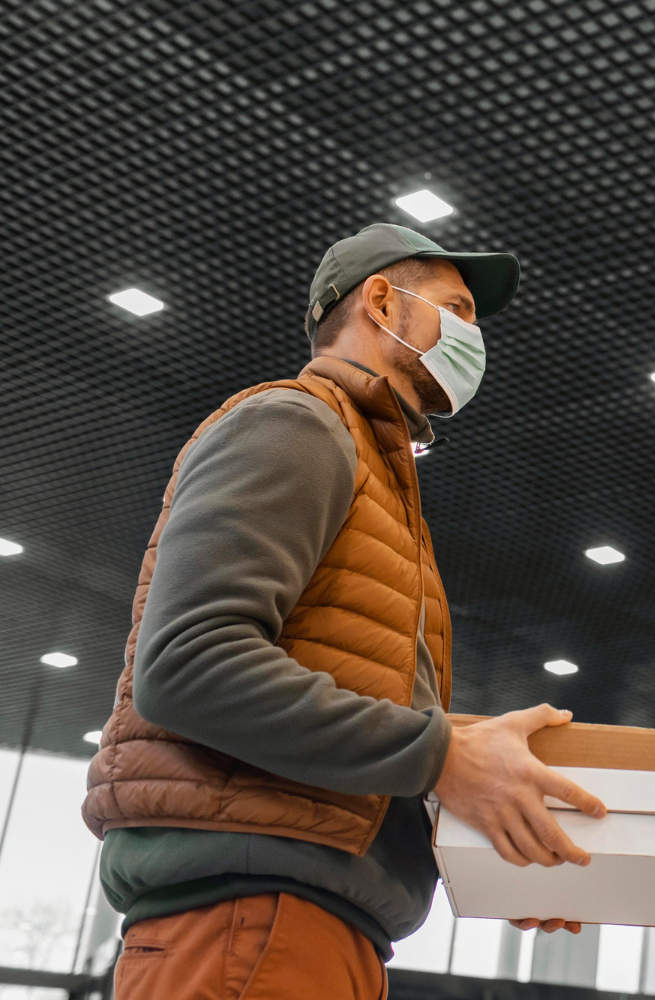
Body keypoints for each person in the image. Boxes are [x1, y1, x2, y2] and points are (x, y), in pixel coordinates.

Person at [82, 223, 604, 999]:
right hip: (252, 926)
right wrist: (444, 756)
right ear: (383, 301)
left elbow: (358, 736)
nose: (472, 336)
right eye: (457, 309)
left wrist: (489, 835)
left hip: (301, 928)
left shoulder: (372, 467)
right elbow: (187, 665)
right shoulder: (297, 424)